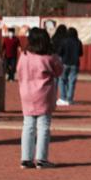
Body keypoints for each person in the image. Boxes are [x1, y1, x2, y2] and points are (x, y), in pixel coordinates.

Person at [18, 27, 63, 168]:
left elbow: (18, 71)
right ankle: (42, 159)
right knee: (43, 126)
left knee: (28, 126)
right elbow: (59, 71)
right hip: (44, 94)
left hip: (26, 93)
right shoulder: (50, 57)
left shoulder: (24, 55)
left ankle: (26, 158)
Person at [56, 27, 83, 106]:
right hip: (75, 64)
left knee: (62, 80)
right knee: (72, 82)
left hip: (64, 63)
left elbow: (60, 52)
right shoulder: (78, 42)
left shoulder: (64, 41)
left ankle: (62, 98)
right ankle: (69, 99)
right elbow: (81, 53)